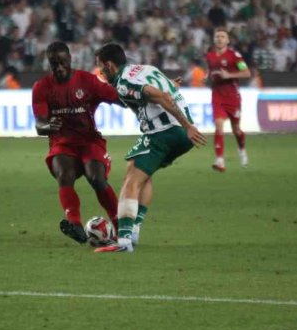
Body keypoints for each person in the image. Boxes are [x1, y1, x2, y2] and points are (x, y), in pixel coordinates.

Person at [94, 43, 206, 253]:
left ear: (109, 65)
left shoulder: (124, 83)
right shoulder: (146, 69)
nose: (101, 72)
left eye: (101, 67)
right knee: (142, 173)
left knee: (131, 181)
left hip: (164, 132)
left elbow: (161, 97)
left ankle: (124, 241)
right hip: (180, 136)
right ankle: (134, 229)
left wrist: (188, 127)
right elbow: (160, 90)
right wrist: (171, 84)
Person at [31, 42, 121, 244]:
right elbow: (39, 125)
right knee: (64, 175)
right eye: (55, 64)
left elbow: (117, 98)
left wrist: (143, 99)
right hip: (62, 143)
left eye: (62, 62)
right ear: (49, 64)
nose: (59, 68)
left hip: (89, 141)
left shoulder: (87, 81)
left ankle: (120, 225)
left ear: (70, 59)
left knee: (96, 179)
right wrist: (48, 126)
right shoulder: (42, 87)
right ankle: (75, 224)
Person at [205, 28, 250, 172]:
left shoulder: (234, 56)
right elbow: (211, 71)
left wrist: (229, 75)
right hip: (217, 95)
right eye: (217, 36)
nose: (219, 39)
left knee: (236, 129)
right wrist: (207, 77)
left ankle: (242, 149)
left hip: (233, 97)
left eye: (222, 36)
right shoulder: (210, 56)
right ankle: (220, 161)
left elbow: (246, 72)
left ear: (228, 40)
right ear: (214, 39)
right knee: (219, 125)